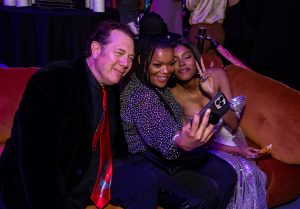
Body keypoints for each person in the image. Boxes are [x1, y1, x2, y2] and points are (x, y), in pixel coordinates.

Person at [0, 20, 159, 209]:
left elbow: (115, 146)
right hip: (57, 177)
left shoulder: (112, 88)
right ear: (96, 49)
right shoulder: (54, 80)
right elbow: (37, 159)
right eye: (120, 53)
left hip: (94, 171)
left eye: (131, 58)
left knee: (144, 180)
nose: (126, 63)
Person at [120, 35, 237, 209]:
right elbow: (164, 138)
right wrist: (180, 141)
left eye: (170, 63)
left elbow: (233, 123)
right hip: (146, 161)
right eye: (158, 65)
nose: (165, 70)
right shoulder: (141, 96)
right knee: (207, 191)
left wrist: (213, 92)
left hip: (174, 155)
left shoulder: (164, 86)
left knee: (227, 174)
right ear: (141, 60)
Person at [171, 38, 267, 209]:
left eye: (186, 57)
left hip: (229, 136)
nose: (181, 63)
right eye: (175, 61)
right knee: (231, 173)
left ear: (197, 59)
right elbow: (197, 144)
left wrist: (214, 94)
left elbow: (233, 123)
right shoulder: (172, 96)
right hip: (208, 148)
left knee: (248, 172)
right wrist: (237, 151)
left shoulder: (217, 74)